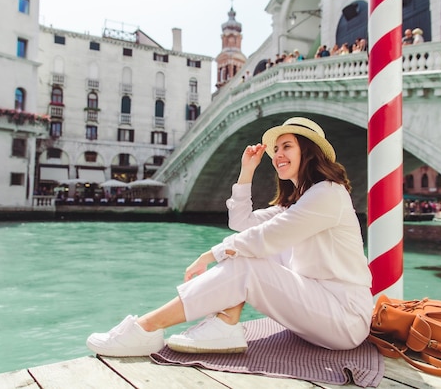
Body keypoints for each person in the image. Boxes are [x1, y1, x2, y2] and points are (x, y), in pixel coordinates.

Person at [85, 117, 373, 357]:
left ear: (309, 152)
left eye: (287, 146)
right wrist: (247, 171)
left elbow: (264, 238)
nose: (277, 155)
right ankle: (225, 324)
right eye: (276, 149)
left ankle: (147, 327)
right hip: (320, 308)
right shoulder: (299, 202)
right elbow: (242, 223)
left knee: (247, 260)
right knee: (247, 253)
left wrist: (208, 255)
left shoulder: (328, 194)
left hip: (344, 317)